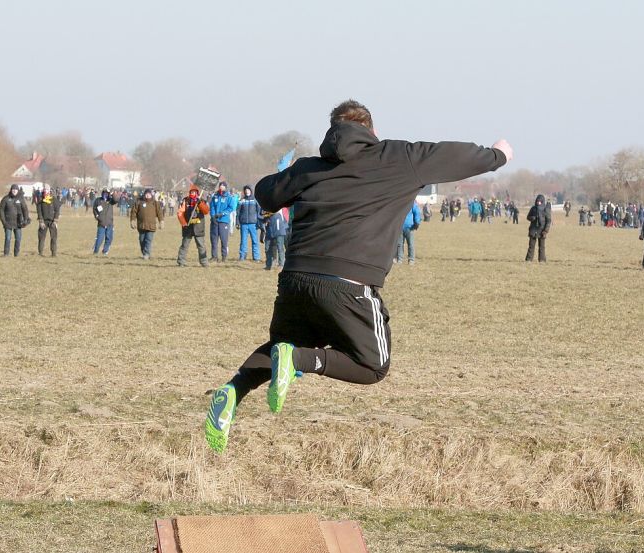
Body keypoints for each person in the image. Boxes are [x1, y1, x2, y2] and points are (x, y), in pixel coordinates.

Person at [203, 99, 512, 453]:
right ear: (372, 130)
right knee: (373, 364)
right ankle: (298, 360)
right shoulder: (399, 157)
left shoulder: (308, 167)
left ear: (332, 131)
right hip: (347, 282)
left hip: (295, 279)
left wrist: (289, 181)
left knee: (283, 346)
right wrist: (497, 155)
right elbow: (454, 156)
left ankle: (233, 390)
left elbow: (265, 193)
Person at [177, 184, 211, 267]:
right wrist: (184, 223)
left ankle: (204, 262)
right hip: (188, 227)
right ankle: (181, 261)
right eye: (191, 191)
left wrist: (200, 204)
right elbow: (180, 213)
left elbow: (206, 211)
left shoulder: (201, 200)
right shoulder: (186, 200)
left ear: (197, 192)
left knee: (201, 245)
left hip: (198, 228)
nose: (193, 193)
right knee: (184, 245)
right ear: (189, 192)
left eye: (194, 192)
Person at [130, 188, 165, 259]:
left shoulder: (155, 203)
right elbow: (133, 212)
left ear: (151, 195)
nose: (147, 195)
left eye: (149, 194)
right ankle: (144, 253)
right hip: (141, 225)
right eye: (146, 194)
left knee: (148, 240)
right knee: (141, 240)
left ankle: (146, 254)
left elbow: (160, 213)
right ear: (144, 194)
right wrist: (132, 220)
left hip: (151, 226)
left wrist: (161, 221)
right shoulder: (139, 202)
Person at [209, 182, 235, 262]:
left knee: (224, 240)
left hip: (224, 221)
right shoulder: (215, 196)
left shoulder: (229, 197)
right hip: (215, 221)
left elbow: (231, 208)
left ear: (226, 187)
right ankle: (214, 257)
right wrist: (213, 216)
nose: (221, 187)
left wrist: (222, 213)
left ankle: (224, 256)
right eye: (220, 185)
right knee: (214, 240)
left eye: (223, 186)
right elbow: (212, 206)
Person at [237, 185, 263, 262]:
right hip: (243, 224)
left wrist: (260, 222)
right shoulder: (242, 201)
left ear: (251, 191)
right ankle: (242, 256)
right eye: (245, 190)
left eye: (248, 190)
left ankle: (256, 257)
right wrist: (237, 222)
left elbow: (259, 212)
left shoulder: (255, 201)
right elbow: (238, 212)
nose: (247, 191)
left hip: (253, 224)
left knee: (255, 241)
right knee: (243, 241)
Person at [36, 184, 61, 257]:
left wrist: (55, 220)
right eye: (44, 189)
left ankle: (53, 253)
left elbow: (57, 210)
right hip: (43, 221)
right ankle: (40, 253)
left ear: (49, 190)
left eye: (47, 189)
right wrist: (41, 221)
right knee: (41, 237)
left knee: (54, 238)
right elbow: (39, 211)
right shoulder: (41, 200)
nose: (45, 191)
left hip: (52, 221)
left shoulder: (54, 200)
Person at [525, 194, 551, 262]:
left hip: (542, 230)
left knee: (542, 246)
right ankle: (529, 259)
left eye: (540, 201)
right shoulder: (533, 208)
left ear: (542, 201)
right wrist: (532, 218)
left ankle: (542, 260)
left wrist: (545, 231)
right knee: (531, 246)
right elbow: (528, 217)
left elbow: (548, 221)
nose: (538, 202)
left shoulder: (546, 209)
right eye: (537, 201)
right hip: (533, 229)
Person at [92, 189, 117, 256]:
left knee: (109, 238)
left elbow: (116, 200)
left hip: (109, 223)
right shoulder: (98, 200)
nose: (105, 194)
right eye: (104, 193)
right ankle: (95, 252)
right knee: (99, 239)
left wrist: (113, 194)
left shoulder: (111, 200)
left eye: (106, 193)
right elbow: (94, 209)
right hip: (101, 223)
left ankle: (105, 251)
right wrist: (97, 216)